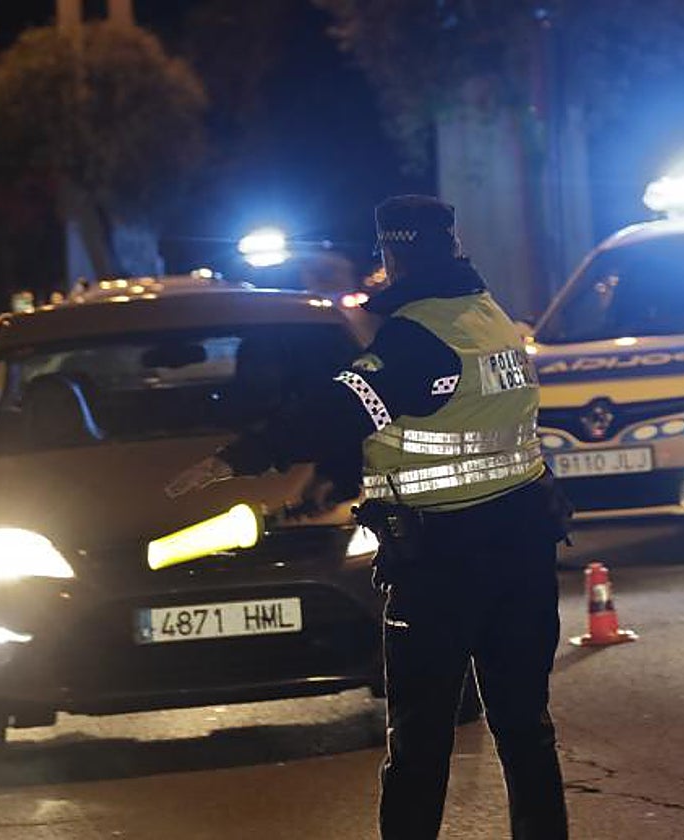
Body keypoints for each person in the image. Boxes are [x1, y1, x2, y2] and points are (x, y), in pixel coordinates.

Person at [167, 195, 570, 839]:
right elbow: (439, 424)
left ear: (393, 254)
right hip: (522, 552)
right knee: (526, 730)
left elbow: (341, 410)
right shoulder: (489, 319)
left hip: (442, 566)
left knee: (420, 742)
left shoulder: (417, 339)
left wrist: (235, 457)